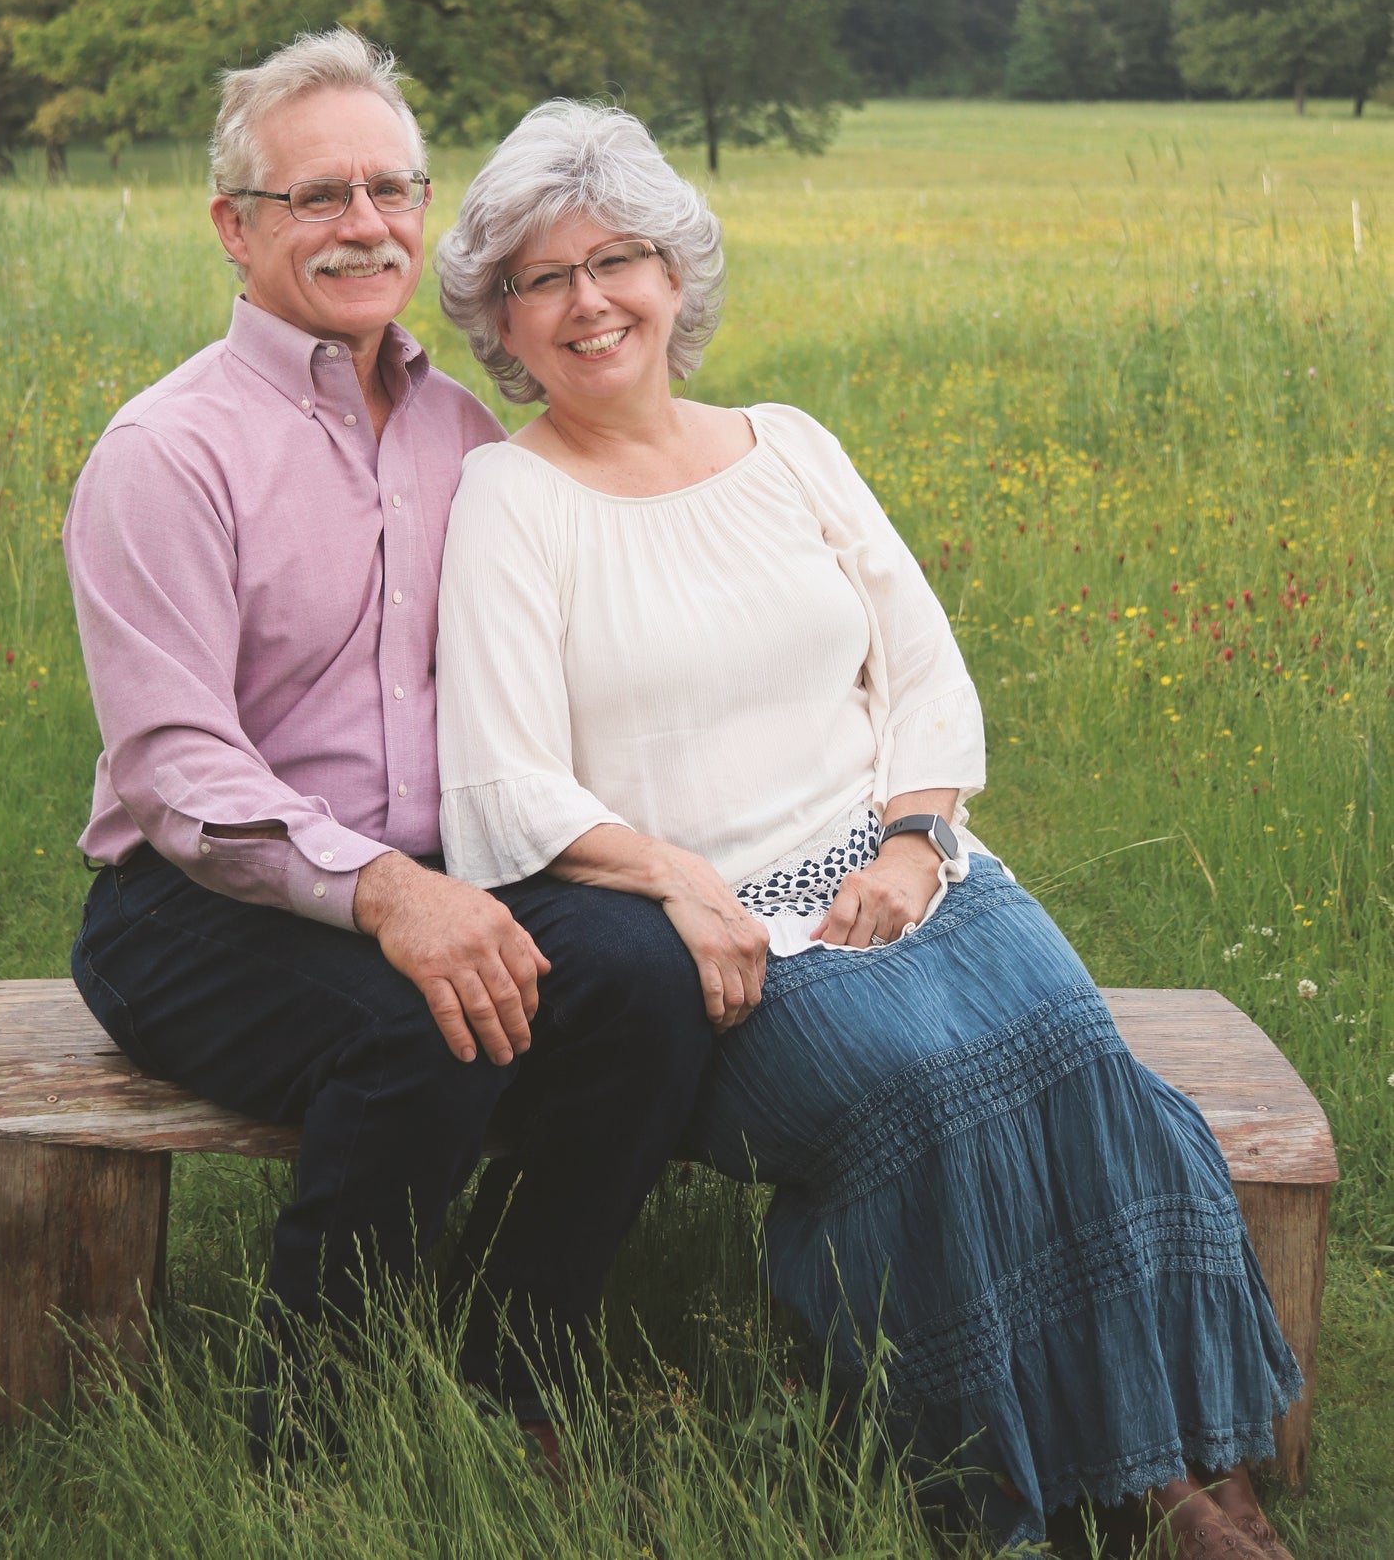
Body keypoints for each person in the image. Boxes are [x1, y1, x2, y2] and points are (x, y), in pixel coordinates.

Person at [432, 99, 1301, 1557]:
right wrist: (679, 885)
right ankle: (995, 1469)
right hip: (715, 933)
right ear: (499, 318)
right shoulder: (509, 501)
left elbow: (923, 664)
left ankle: (1174, 1462)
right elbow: (501, 781)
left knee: (1073, 1053)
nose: (589, 301)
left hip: (908, 865)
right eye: (541, 276)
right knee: (914, 1092)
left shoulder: (790, 445)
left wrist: (909, 842)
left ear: (674, 276)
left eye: (618, 259)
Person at [64, 33, 711, 1452]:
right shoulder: (168, 451)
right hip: (196, 904)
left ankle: (509, 1368)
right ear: (235, 227)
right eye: (318, 196)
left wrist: (654, 860)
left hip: (436, 865)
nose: (366, 224)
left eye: (392, 187)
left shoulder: (458, 432)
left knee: (646, 981)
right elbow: (179, 767)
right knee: (423, 1025)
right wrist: (387, 892)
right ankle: (314, 1441)